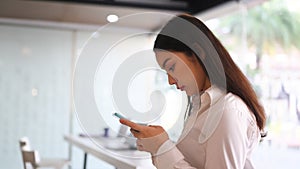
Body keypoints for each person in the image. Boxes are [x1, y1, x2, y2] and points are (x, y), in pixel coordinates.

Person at [120, 14, 266, 169]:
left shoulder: (227, 110)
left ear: (197, 52)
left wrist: (162, 148)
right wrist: (158, 144)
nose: (170, 81)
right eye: (166, 72)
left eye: (172, 67)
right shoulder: (202, 107)